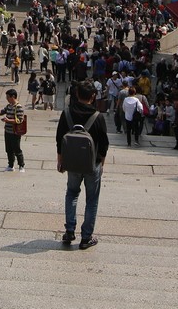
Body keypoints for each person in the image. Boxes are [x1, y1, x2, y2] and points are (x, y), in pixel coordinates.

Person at [57, 79, 109, 250]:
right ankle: (86, 237)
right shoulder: (98, 116)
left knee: (71, 193)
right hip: (92, 164)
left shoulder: (67, 113)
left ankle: (69, 231)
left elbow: (59, 138)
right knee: (92, 199)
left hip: (72, 163)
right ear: (93, 96)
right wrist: (101, 164)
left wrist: (60, 160)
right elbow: (104, 143)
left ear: (77, 94)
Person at [0, 88, 27, 172]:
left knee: (17, 149)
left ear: (13, 97)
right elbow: (3, 111)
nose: (7, 99)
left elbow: (20, 120)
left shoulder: (18, 107)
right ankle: (10, 165)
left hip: (15, 132)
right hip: (7, 131)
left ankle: (21, 165)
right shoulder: (9, 106)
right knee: (8, 149)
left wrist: (8, 120)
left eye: (8, 97)